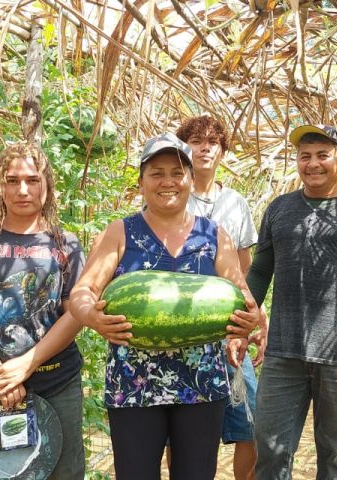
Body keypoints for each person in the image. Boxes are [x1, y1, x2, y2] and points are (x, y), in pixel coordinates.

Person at [69, 133, 263, 480]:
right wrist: (91, 316)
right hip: (134, 385)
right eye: (157, 173)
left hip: (202, 384)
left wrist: (249, 324)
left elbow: (242, 296)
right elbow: (81, 292)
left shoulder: (215, 235)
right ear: (141, 181)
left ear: (190, 179)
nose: (168, 182)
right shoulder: (120, 232)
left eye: (177, 172)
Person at [0, 143, 86, 478]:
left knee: (64, 472)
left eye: (32, 180)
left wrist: (25, 364)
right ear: (1, 186)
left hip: (57, 382)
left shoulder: (65, 244)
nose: (22, 189)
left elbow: (75, 314)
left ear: (47, 185)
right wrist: (0, 374)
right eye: (12, 180)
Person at [248, 124, 337, 479]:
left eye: (322, 155)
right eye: (304, 156)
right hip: (284, 352)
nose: (312, 164)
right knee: (269, 449)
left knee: (335, 455)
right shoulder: (280, 209)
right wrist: (240, 323)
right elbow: (259, 272)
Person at [175, 115, 260, 480]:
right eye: (195, 141)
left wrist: (248, 323)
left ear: (222, 151)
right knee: (182, 431)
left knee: (251, 420)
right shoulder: (172, 195)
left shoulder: (235, 203)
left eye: (213, 141)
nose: (205, 147)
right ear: (183, 149)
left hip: (227, 327)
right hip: (181, 326)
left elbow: (243, 270)